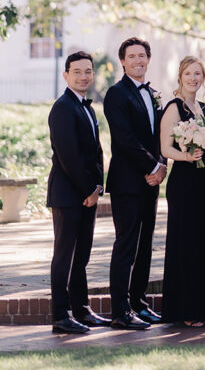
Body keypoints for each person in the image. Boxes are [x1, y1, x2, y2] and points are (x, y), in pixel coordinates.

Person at [104, 37, 166, 329]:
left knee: (145, 246)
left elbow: (160, 137)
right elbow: (124, 139)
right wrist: (153, 165)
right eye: (132, 56)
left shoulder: (154, 93)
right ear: (123, 61)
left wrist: (162, 166)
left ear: (148, 59)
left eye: (142, 55)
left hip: (151, 182)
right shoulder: (116, 94)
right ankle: (120, 311)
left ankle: (139, 304)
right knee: (126, 245)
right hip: (128, 182)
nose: (138, 60)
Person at [47, 51, 108, 334]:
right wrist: (88, 190)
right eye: (77, 71)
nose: (84, 76)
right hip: (67, 194)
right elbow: (68, 155)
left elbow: (95, 152)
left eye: (88, 71)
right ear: (66, 75)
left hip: (87, 194)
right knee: (64, 257)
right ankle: (61, 315)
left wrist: (98, 186)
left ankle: (81, 310)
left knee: (81, 256)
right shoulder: (62, 108)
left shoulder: (87, 107)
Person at [159, 56, 205, 327]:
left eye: (198, 74)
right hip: (184, 184)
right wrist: (186, 156)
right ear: (180, 77)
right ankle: (185, 310)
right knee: (186, 246)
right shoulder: (174, 107)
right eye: (189, 74)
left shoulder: (203, 108)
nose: (193, 78)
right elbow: (165, 148)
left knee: (204, 244)